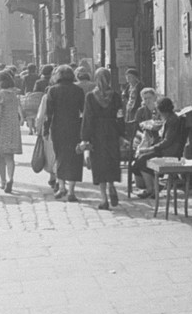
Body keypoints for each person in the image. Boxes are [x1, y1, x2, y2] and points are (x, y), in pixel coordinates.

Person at [80, 68, 125, 210]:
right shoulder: (116, 96)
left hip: (96, 134)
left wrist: (85, 138)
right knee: (111, 161)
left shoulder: (90, 97)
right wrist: (121, 134)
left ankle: (104, 199)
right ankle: (112, 185)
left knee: (99, 165)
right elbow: (120, 116)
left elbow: (87, 119)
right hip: (112, 132)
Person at [45, 65, 85, 202]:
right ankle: (72, 191)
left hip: (58, 127)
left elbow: (48, 113)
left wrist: (45, 130)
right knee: (74, 158)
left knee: (60, 156)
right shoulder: (78, 90)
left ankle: (62, 187)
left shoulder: (53, 91)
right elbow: (83, 111)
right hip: (74, 127)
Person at [132, 97, 184, 199]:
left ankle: (152, 189)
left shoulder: (172, 121)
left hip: (169, 152)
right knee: (141, 159)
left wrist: (150, 149)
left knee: (142, 160)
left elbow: (167, 141)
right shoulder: (170, 118)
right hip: (168, 149)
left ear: (161, 110)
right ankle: (153, 188)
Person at [131, 87, 160, 190]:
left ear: (155, 98)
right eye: (145, 98)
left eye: (149, 98)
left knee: (144, 157)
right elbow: (136, 129)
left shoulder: (158, 110)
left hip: (156, 139)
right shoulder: (141, 111)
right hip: (142, 138)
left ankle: (152, 184)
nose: (147, 100)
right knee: (140, 185)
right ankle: (150, 183)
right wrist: (142, 135)